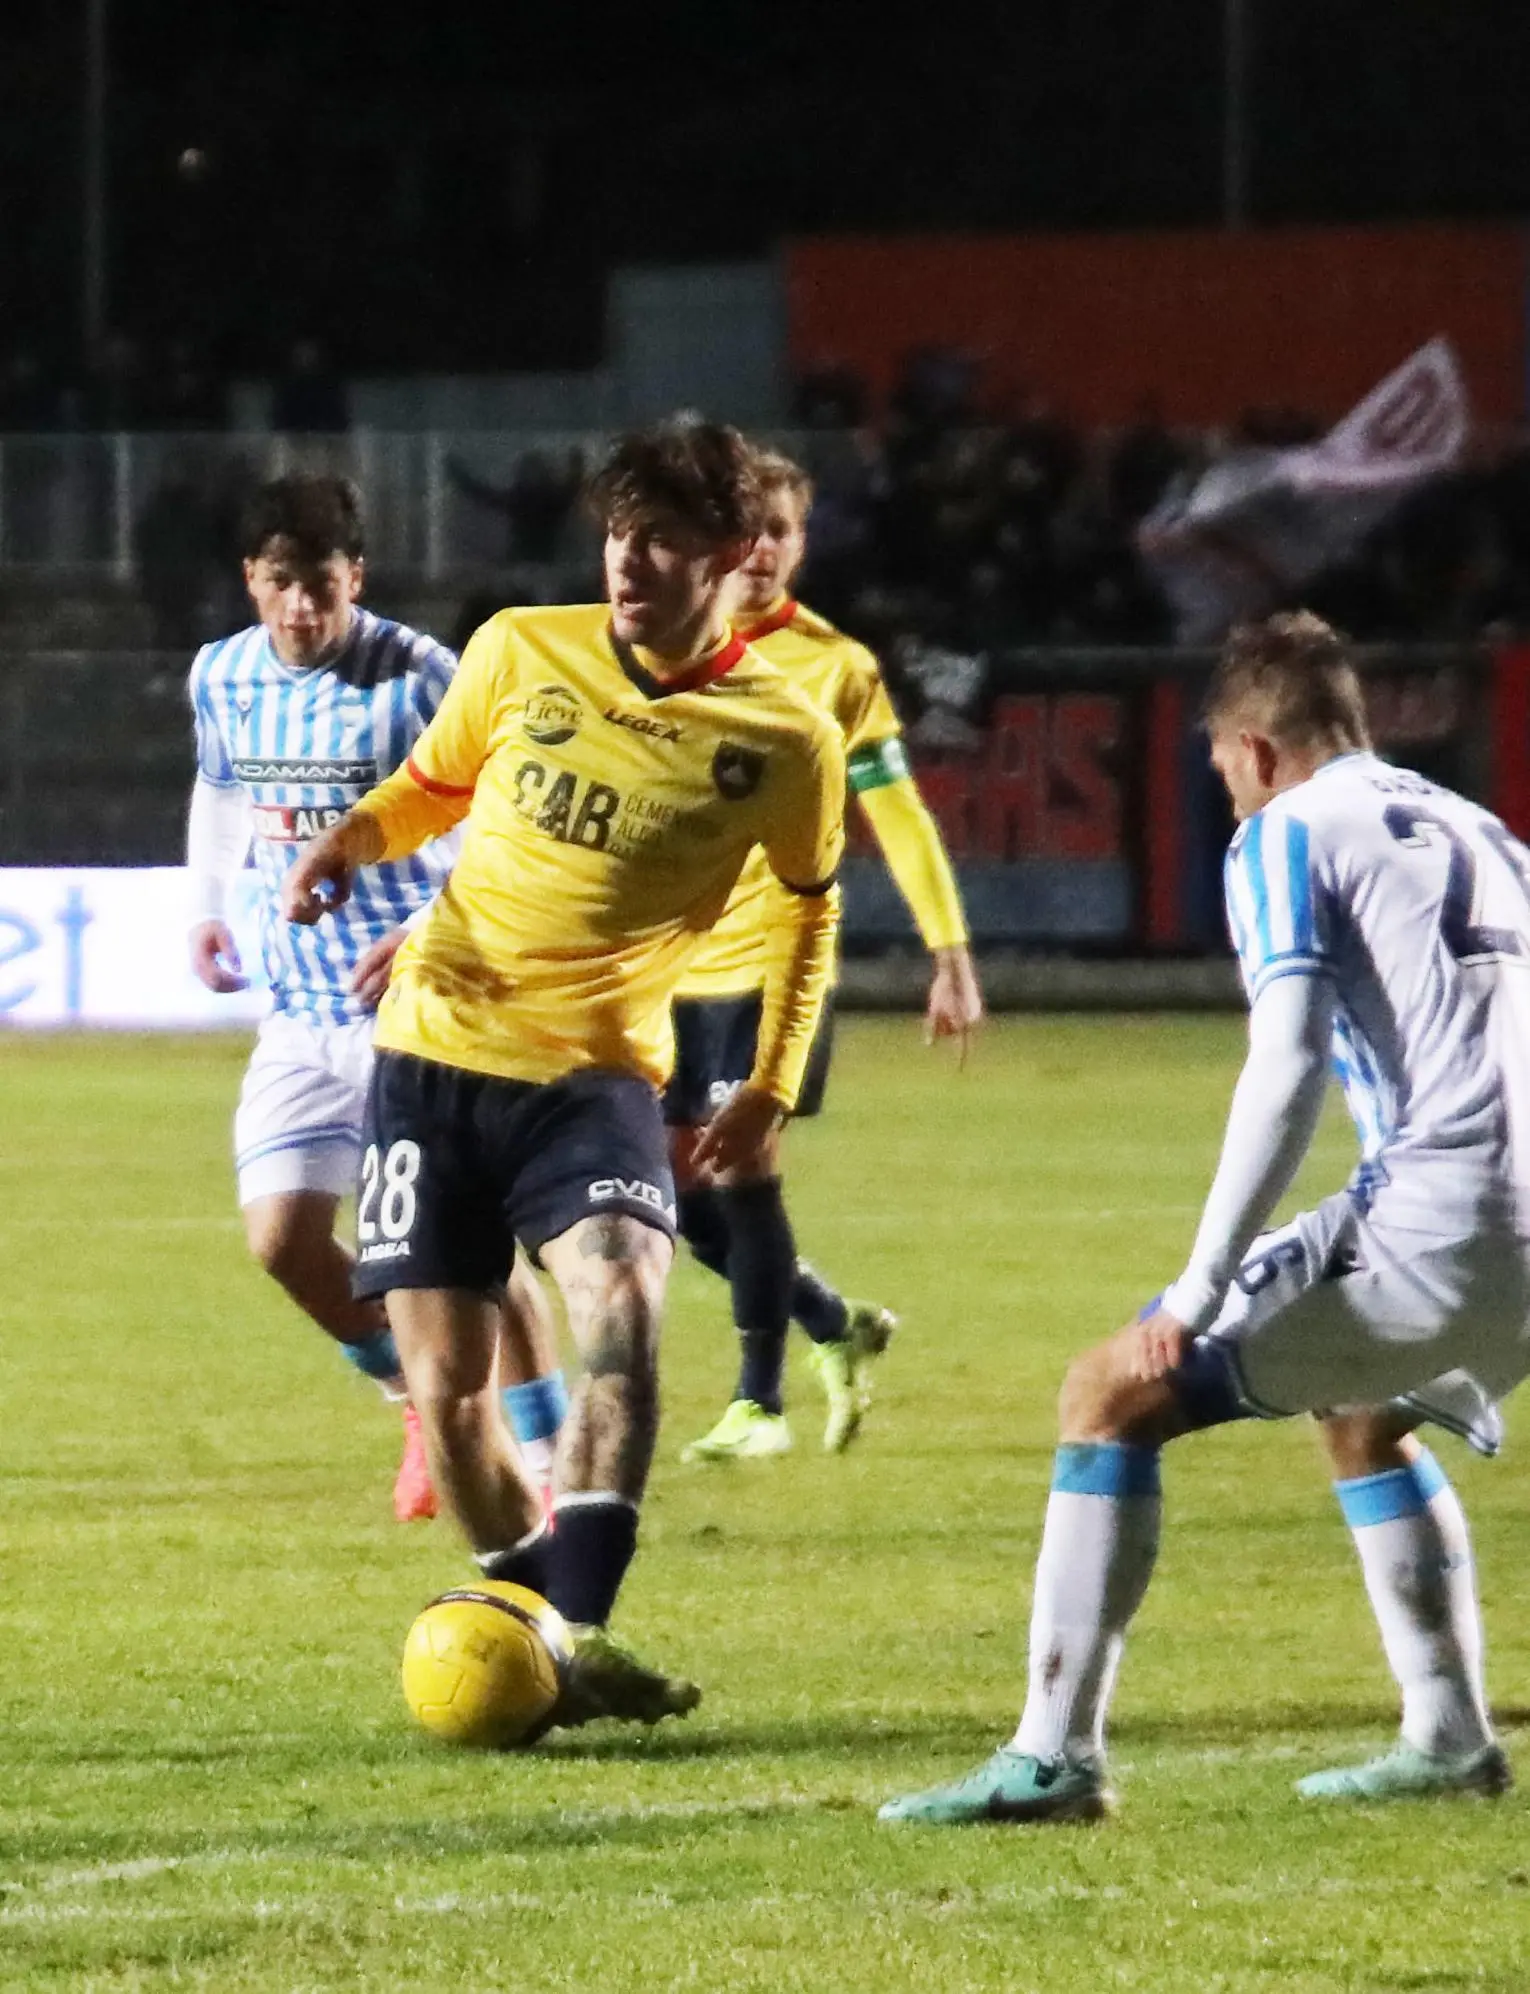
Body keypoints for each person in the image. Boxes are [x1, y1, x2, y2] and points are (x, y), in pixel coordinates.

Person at [882, 612, 1527, 1825]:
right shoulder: (1480, 827)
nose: (1225, 791)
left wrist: (1196, 1287)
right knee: (1361, 1406)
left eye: (1224, 766)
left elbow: (1285, 1064)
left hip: (1448, 1213)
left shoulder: (1286, 831)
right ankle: (1448, 1736)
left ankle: (1052, 1758)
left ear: (1258, 748)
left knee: (1110, 1389)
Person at [282, 420, 847, 1726]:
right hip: (429, 1055)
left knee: (623, 1310)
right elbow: (432, 787)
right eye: (614, 533)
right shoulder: (517, 647)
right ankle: (543, 1630)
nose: (626, 561)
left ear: (732, 556)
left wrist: (767, 1081)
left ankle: (572, 1624)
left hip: (592, 1074)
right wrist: (352, 845)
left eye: (658, 539)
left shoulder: (780, 737)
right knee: (441, 1388)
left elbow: (812, 910)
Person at [186, 473, 566, 1524]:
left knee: (478, 1260)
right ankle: (408, 1390)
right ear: (251, 580)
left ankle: (553, 1459)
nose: (301, 607)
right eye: (280, 582)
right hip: (297, 1014)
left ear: (356, 575)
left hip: (418, 1009)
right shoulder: (221, 673)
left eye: (321, 583)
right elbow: (220, 787)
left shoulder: (419, 676)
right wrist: (208, 904)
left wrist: (439, 929)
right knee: (281, 1240)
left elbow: (513, 817)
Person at [676, 449, 984, 1462]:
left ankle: (758, 1403)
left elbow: (897, 813)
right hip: (667, 966)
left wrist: (950, 951)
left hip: (778, 959)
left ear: (801, 544)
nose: (761, 550)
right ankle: (833, 1321)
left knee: (746, 1168)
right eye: (744, 528)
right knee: (675, 1197)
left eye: (782, 531)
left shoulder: (836, 668)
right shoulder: (654, 646)